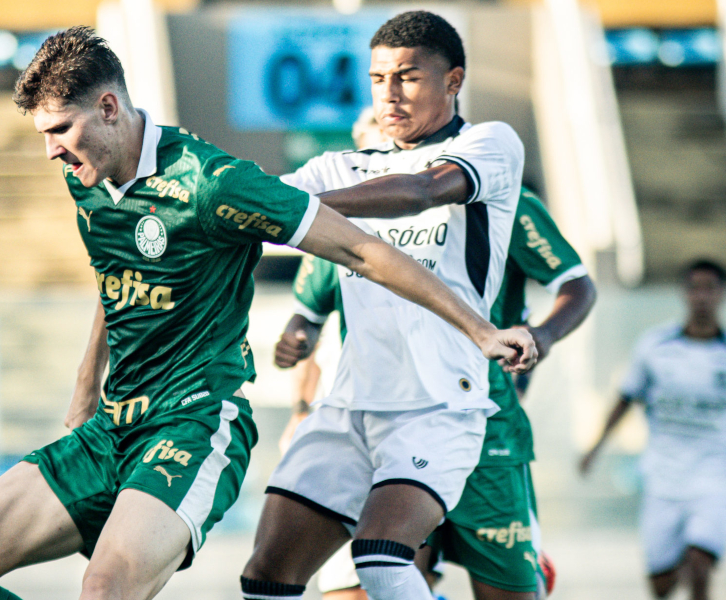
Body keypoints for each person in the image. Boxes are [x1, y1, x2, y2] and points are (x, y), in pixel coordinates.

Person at [0, 26, 536, 600]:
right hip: (149, 424)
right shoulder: (87, 174)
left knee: (385, 562)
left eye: (60, 131)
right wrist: (84, 388)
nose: (51, 153)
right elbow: (117, 272)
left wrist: (482, 330)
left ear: (108, 107)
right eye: (378, 78)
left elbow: (375, 236)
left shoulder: (216, 182)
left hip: (218, 421)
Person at [240, 11, 531, 600]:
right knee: (267, 576)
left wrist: (303, 212)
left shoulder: (490, 143)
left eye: (408, 77)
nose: (389, 94)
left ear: (453, 80)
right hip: (348, 405)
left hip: (439, 403)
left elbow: (420, 192)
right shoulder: (340, 166)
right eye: (377, 79)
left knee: (380, 557)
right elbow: (255, 207)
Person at [279, 185, 595, 600]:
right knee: (365, 582)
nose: (384, 129)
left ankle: (525, 565)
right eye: (368, 136)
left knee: (506, 591)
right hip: (382, 425)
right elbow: (310, 310)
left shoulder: (504, 200)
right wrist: (299, 357)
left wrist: (543, 335)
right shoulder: (351, 208)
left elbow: (576, 284)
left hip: (485, 429)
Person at [580, 259, 726, 600]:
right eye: (695, 288)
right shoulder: (655, 346)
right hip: (663, 477)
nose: (702, 297)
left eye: (710, 288)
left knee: (700, 560)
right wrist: (595, 447)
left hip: (714, 477)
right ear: (684, 293)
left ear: (720, 294)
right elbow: (625, 398)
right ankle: (672, 562)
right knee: (660, 584)